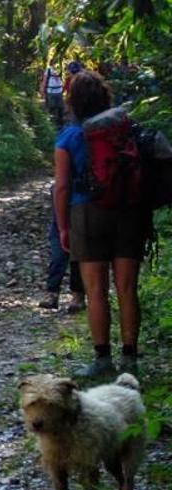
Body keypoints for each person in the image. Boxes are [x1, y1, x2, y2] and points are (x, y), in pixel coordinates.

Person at [54, 70, 150, 378]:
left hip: (87, 212)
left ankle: (102, 358)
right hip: (130, 211)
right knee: (127, 287)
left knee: (95, 289)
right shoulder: (126, 129)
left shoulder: (69, 137)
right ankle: (131, 357)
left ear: (73, 101)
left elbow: (62, 187)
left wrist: (63, 227)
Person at [40, 186, 86, 313]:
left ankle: (78, 296)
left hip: (80, 220)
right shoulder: (58, 187)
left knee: (77, 260)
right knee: (57, 258)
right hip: (60, 226)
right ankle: (52, 293)